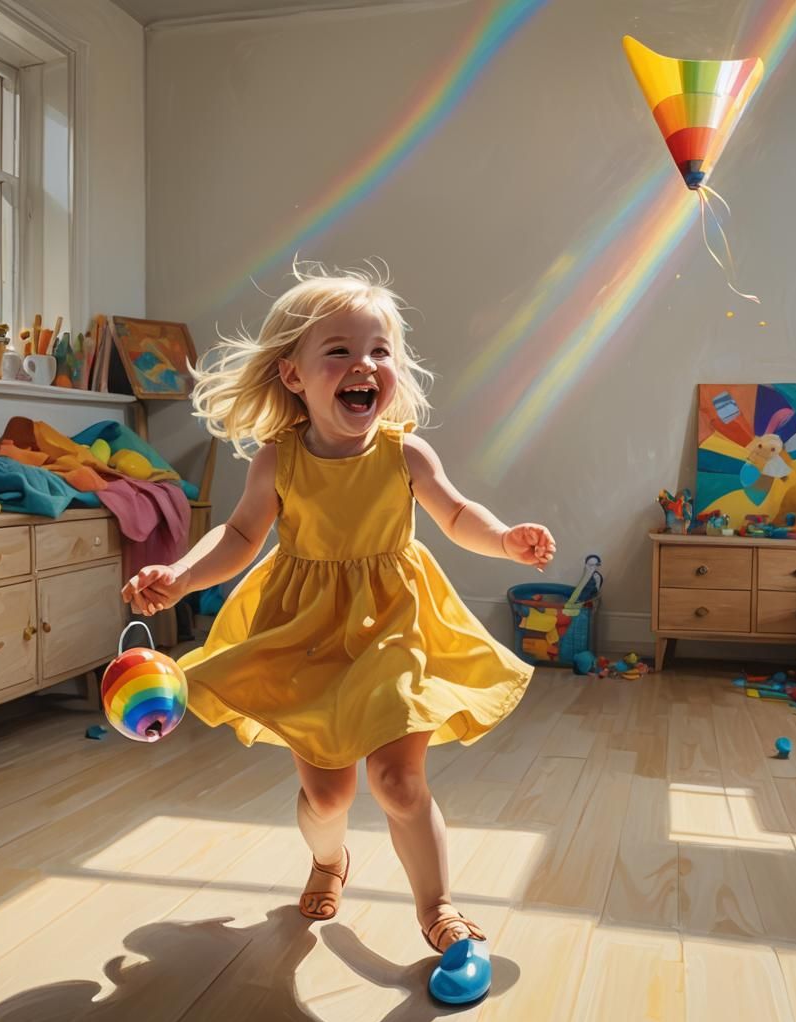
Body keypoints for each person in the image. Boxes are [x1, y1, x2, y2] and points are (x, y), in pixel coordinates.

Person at [121, 263, 556, 953]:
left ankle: (436, 907)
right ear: (293, 375)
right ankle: (329, 858)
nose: (366, 365)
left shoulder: (404, 453)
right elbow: (238, 537)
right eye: (342, 352)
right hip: (307, 636)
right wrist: (178, 573)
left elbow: (456, 513)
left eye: (380, 351)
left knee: (396, 779)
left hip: (393, 628)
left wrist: (504, 539)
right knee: (327, 796)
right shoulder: (278, 460)